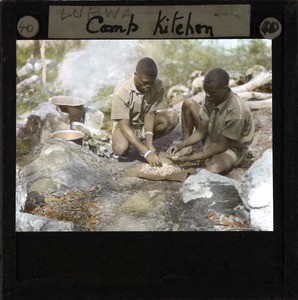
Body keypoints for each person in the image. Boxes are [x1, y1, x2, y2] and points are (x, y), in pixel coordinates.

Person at [167, 67, 255, 174]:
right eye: (206, 91)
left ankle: (208, 157)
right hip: (213, 136)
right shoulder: (212, 96)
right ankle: (194, 151)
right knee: (188, 103)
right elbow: (201, 131)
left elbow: (222, 145)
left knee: (212, 168)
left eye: (212, 92)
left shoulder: (236, 112)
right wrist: (182, 144)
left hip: (230, 148)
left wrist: (191, 158)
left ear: (225, 88)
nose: (207, 95)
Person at [111, 57, 179, 167]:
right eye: (144, 82)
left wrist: (149, 143)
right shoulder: (122, 91)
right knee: (120, 149)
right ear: (135, 75)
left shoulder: (158, 85)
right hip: (126, 126)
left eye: (151, 83)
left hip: (143, 125)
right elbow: (124, 126)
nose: (148, 86)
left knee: (172, 117)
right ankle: (136, 145)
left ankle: (142, 143)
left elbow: (150, 113)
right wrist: (146, 153)